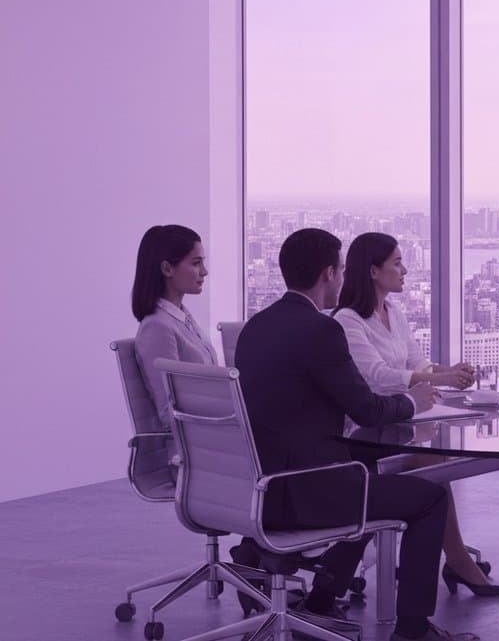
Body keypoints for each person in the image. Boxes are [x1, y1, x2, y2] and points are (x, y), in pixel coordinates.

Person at [234, 228, 474, 641]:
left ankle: (323, 598)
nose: (343, 279)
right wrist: (416, 400)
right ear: (329, 273)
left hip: (256, 490)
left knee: (367, 474)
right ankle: (413, 631)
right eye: (341, 270)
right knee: (429, 498)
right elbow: (367, 407)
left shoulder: (255, 327)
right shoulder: (323, 330)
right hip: (305, 491)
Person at [332, 232, 499, 597]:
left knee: (435, 460)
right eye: (397, 262)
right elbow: (377, 377)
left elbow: (417, 363)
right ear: (373, 271)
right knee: (433, 463)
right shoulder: (347, 321)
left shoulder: (393, 312)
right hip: (368, 430)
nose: (405, 269)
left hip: (405, 419)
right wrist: (436, 377)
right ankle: (457, 562)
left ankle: (451, 561)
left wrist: (448, 370)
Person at [132, 225, 217, 433]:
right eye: (196, 263)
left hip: (211, 438)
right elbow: (169, 412)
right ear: (167, 269)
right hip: (196, 448)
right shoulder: (157, 327)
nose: (204, 272)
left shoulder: (182, 317)